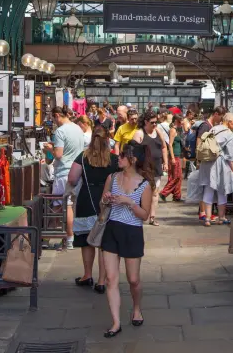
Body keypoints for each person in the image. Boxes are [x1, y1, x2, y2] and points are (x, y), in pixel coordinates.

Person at [100, 143, 154, 338]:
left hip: (132, 232)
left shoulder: (144, 185)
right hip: (112, 229)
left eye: (123, 155)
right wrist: (106, 199)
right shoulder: (112, 178)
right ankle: (116, 322)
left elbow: (145, 215)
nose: (118, 158)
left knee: (133, 279)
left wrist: (129, 202)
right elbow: (102, 204)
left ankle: (136, 308)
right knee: (110, 279)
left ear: (133, 160)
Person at [68, 126, 119, 293]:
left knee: (86, 241)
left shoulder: (83, 157)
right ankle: (102, 281)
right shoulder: (114, 159)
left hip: (86, 199)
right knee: (104, 243)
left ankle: (87, 275)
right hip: (107, 200)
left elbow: (73, 178)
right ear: (108, 140)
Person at [45, 106, 85, 250]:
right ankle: (53, 237)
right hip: (78, 171)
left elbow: (59, 154)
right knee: (61, 206)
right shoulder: (78, 128)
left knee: (66, 206)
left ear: (57, 115)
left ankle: (69, 239)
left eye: (52, 118)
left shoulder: (60, 131)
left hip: (64, 173)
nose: (53, 121)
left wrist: (49, 148)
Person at [199, 112, 233, 227]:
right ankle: (221, 217)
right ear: (229, 122)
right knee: (222, 189)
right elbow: (230, 156)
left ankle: (207, 219)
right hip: (219, 163)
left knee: (208, 189)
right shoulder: (230, 134)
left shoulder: (214, 128)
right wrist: (232, 169)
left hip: (206, 162)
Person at [132, 110, 168, 226]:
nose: (154, 125)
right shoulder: (139, 133)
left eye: (156, 122)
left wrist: (165, 162)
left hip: (156, 167)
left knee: (155, 192)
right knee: (140, 192)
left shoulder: (158, 131)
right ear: (146, 122)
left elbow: (163, 147)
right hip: (143, 168)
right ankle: (139, 214)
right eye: (152, 123)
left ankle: (152, 217)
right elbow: (133, 151)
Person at [196, 106, 226, 222]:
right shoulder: (206, 126)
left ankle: (204, 212)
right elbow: (199, 141)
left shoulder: (211, 126)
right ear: (216, 114)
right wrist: (199, 159)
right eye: (220, 117)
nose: (220, 120)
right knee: (205, 186)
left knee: (206, 186)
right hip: (204, 159)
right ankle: (203, 212)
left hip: (207, 160)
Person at [159, 114, 185, 202]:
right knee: (176, 176)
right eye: (180, 122)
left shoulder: (177, 130)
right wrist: (173, 158)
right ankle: (164, 192)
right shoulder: (173, 130)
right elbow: (170, 144)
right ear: (176, 121)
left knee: (178, 176)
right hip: (174, 156)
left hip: (177, 155)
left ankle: (177, 196)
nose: (181, 123)